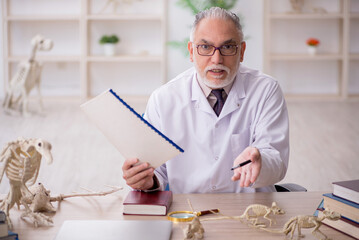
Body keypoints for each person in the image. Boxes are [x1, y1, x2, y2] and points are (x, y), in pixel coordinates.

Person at [122, 7, 289, 193]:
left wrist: (261, 161)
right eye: (205, 47)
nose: (216, 59)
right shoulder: (163, 99)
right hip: (189, 213)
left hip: (251, 212)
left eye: (227, 47)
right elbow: (156, 172)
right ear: (191, 51)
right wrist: (147, 180)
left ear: (241, 51)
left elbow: (277, 161)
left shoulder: (266, 90)